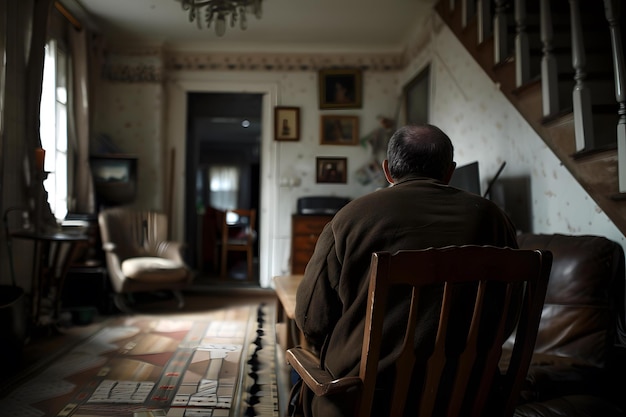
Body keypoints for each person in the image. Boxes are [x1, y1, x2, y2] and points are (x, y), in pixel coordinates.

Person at [294, 124, 519, 417]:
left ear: (387, 170)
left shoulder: (350, 218)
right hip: (468, 397)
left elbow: (311, 319)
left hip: (364, 399)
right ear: (449, 171)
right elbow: (508, 314)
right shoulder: (494, 219)